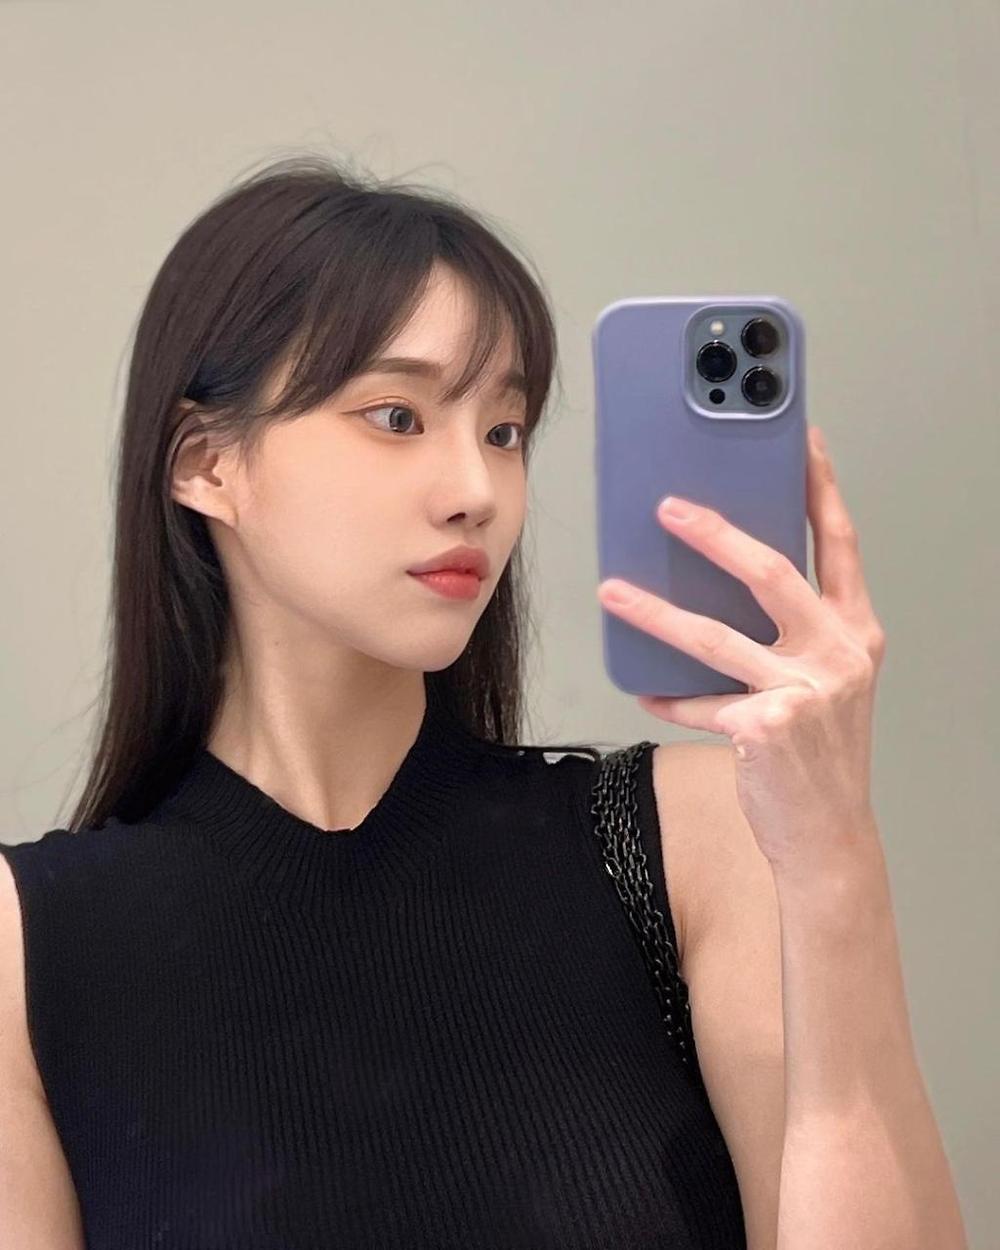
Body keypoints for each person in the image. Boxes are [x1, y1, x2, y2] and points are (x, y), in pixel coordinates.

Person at [0, 157, 748, 1248]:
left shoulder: (689, 836)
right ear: (206, 463)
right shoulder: (32, 946)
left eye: (503, 430)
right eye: (397, 415)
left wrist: (830, 850)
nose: (477, 491)